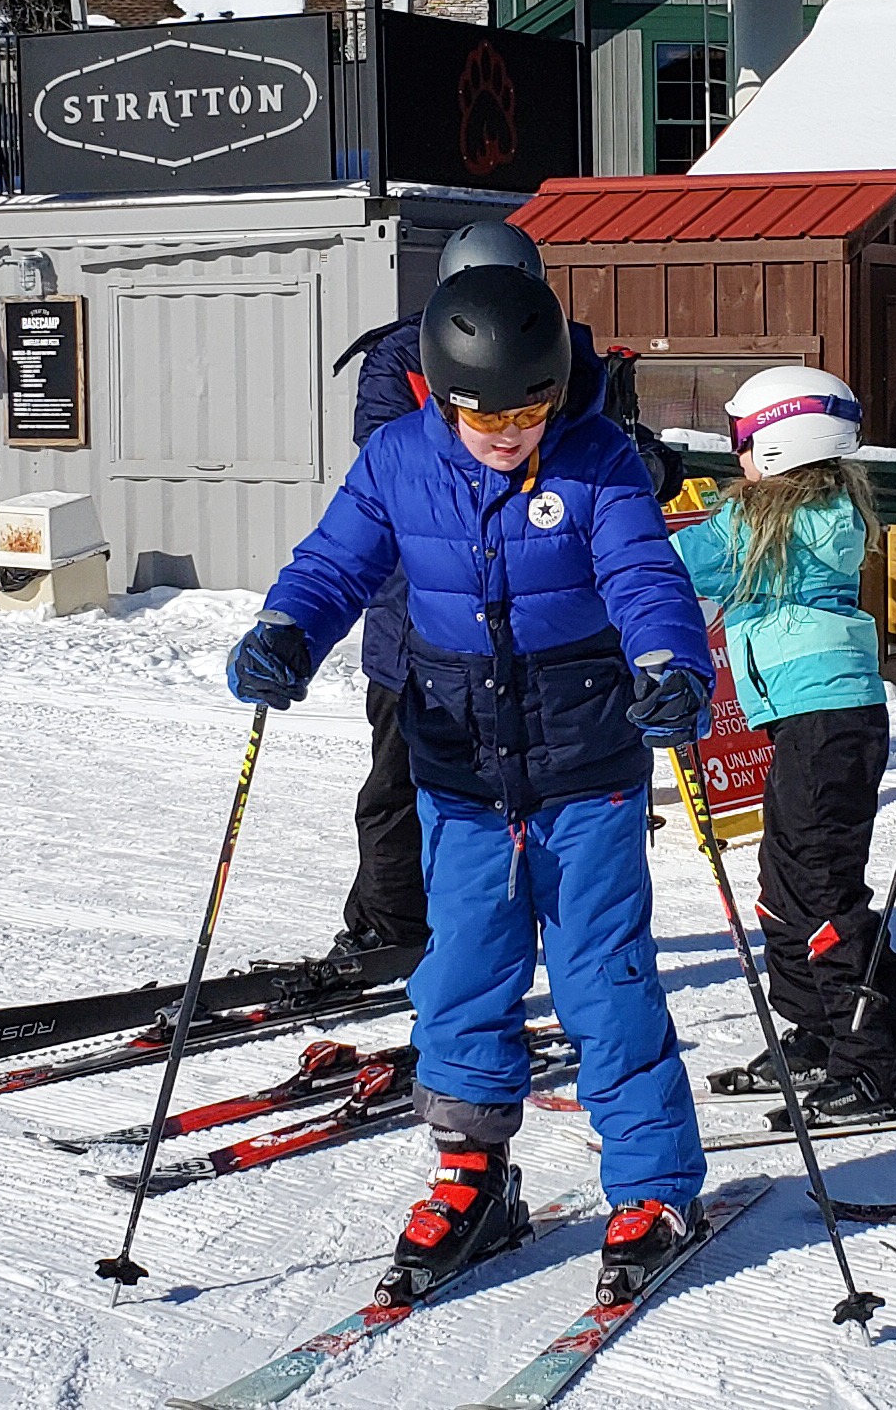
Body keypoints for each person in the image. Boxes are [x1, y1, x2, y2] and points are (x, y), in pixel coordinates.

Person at [227, 265, 716, 1305]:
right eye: (485, 411)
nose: (508, 430)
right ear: (442, 392)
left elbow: (644, 579)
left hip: (586, 768)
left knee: (602, 979)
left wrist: (672, 666)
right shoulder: (397, 460)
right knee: (461, 981)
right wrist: (285, 632)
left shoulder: (598, 461)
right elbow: (333, 566)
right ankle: (472, 1175)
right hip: (459, 767)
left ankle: (655, 1184)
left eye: (530, 407)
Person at [324, 220, 687, 961]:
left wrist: (637, 470)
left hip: (550, 613)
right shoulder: (405, 355)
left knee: (547, 797)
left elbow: (617, 448)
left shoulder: (561, 351)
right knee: (406, 776)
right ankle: (392, 926)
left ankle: (512, 941)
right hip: (422, 609)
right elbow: (392, 469)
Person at [671, 367, 896, 1123]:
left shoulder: (769, 521)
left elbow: (677, 563)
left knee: (821, 891)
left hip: (828, 728)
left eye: (746, 445)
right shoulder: (816, 510)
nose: (737, 461)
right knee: (785, 886)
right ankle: (822, 1030)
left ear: (782, 446)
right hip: (816, 724)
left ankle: (879, 1064)